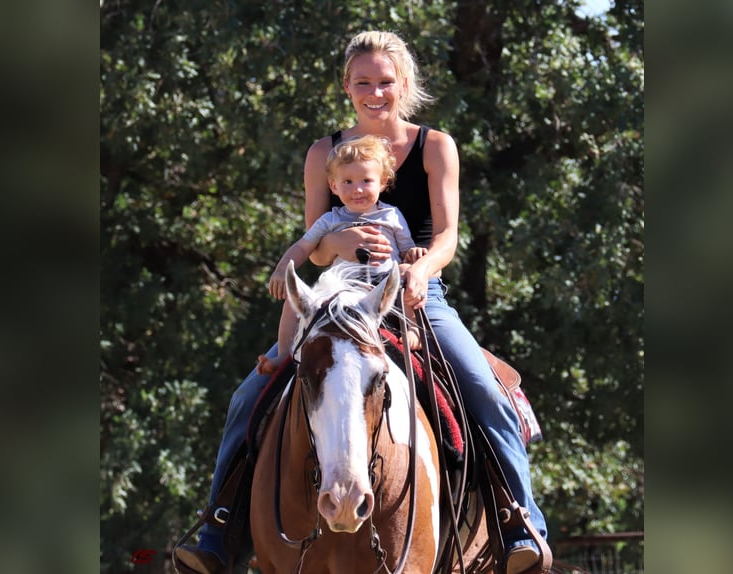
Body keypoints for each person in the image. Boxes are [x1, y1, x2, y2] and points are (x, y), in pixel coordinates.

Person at [174, 30, 547, 574]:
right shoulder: (325, 152)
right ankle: (219, 530)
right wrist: (339, 244)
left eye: (386, 82)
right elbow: (313, 245)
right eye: (363, 82)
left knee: (486, 392)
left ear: (405, 84)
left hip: (417, 294)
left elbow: (446, 236)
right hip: (337, 293)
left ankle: (521, 525)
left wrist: (419, 268)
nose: (376, 93)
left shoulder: (434, 146)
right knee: (246, 398)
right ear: (347, 86)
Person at [256, 134, 426, 375]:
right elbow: (304, 246)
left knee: (405, 277)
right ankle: (284, 354)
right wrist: (283, 268)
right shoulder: (331, 219)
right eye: (347, 181)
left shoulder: (392, 216)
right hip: (341, 289)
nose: (357, 189)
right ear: (333, 186)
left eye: (366, 180)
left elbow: (406, 250)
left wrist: (414, 255)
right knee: (294, 301)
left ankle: (413, 329)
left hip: (382, 286)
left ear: (383, 183)